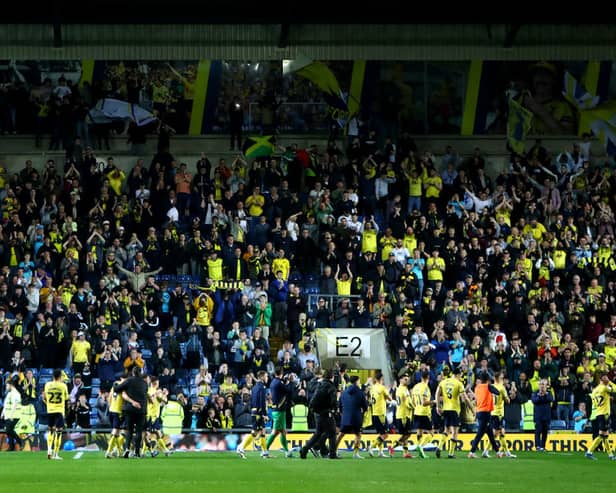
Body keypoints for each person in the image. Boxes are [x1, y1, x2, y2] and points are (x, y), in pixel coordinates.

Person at [300, 369, 338, 459]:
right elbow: (333, 401)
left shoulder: (319, 385)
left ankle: (304, 449)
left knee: (318, 433)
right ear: (332, 377)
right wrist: (334, 410)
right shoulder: (331, 387)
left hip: (317, 412)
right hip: (326, 412)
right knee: (332, 433)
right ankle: (332, 454)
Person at [114, 366, 148, 458]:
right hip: (141, 410)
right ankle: (137, 452)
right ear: (140, 373)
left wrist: (115, 384)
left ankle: (127, 450)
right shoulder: (145, 383)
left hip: (129, 409)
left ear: (133, 372)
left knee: (129, 430)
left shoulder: (129, 381)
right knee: (139, 432)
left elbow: (117, 389)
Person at [435, 366, 466, 459]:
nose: (461, 376)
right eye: (460, 375)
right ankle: (451, 453)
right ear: (458, 374)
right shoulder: (458, 383)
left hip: (445, 409)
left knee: (446, 430)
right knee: (455, 432)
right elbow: (463, 397)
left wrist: (438, 406)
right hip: (454, 409)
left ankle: (439, 447)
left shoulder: (443, 382)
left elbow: (437, 393)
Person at [236, 370, 269, 459]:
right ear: (262, 377)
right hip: (259, 412)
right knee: (254, 432)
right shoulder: (262, 387)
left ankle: (265, 452)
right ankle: (241, 448)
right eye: (266, 376)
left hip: (254, 411)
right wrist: (264, 414)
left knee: (262, 431)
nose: (267, 378)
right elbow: (262, 401)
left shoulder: (254, 387)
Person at [467, 372, 500, 458]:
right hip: (486, 412)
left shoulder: (477, 387)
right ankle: (471, 452)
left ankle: (498, 452)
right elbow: (498, 392)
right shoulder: (488, 386)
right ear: (488, 379)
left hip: (479, 411)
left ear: (480, 379)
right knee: (480, 433)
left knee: (490, 434)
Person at [265, 366, 295, 458]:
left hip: (277, 410)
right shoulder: (279, 383)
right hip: (279, 410)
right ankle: (264, 449)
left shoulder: (274, 382)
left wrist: (286, 382)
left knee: (282, 431)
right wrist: (291, 382)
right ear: (281, 373)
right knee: (275, 432)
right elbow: (289, 391)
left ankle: (287, 452)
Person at [336, 374, 368, 459]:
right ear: (357, 382)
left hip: (346, 417)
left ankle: (333, 450)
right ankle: (355, 453)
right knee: (358, 435)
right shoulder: (360, 393)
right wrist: (362, 412)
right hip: (356, 417)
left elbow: (339, 406)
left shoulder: (344, 393)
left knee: (340, 434)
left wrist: (343, 414)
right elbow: (365, 406)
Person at [585, 373, 614, 460]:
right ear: (602, 380)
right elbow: (613, 389)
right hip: (604, 413)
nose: (607, 380)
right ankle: (589, 452)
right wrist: (610, 382)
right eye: (606, 378)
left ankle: (611, 455)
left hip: (598, 413)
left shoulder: (594, 391)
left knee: (605, 435)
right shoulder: (604, 387)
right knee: (602, 435)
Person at [43, 369, 69, 459]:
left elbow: (44, 397)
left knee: (50, 431)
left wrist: (49, 404)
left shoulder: (47, 385)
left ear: (53, 376)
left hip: (50, 411)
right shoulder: (63, 386)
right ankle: (55, 454)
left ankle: (49, 449)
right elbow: (66, 398)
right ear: (60, 376)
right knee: (58, 432)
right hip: (59, 411)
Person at [491, 371, 516, 458]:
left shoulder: (491, 387)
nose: (503, 379)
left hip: (492, 412)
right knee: (495, 434)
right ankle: (486, 451)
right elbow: (508, 401)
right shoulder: (501, 388)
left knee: (501, 433)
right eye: (502, 378)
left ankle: (507, 452)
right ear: (498, 378)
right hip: (499, 413)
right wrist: (511, 396)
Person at [369, 371, 394, 457]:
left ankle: (380, 452)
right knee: (386, 434)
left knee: (381, 433)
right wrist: (389, 390)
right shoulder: (382, 388)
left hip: (374, 413)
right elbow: (390, 399)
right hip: (381, 414)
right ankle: (371, 447)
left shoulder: (372, 388)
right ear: (381, 379)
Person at [389, 373, 414, 458]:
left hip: (400, 414)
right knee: (407, 434)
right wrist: (414, 407)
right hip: (404, 414)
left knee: (405, 434)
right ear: (400, 380)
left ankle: (405, 453)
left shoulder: (399, 389)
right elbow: (408, 403)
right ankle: (393, 446)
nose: (407, 381)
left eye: (407, 379)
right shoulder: (404, 390)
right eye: (405, 379)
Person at [412, 369, 435, 458]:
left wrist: (416, 407)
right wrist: (433, 402)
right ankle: (420, 446)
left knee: (419, 432)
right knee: (431, 433)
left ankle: (419, 451)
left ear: (421, 377)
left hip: (416, 412)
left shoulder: (416, 386)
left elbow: (413, 401)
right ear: (428, 377)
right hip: (424, 413)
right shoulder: (425, 387)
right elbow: (424, 402)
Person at [105, 374, 126, 458]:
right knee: (116, 431)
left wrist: (111, 407)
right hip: (118, 412)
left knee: (117, 433)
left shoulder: (114, 385)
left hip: (112, 411)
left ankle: (118, 450)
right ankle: (109, 451)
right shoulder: (124, 386)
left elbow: (109, 398)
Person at [2, 377, 24, 452]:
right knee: (8, 431)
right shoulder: (9, 394)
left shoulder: (16, 393)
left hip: (15, 415)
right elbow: (6, 404)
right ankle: (11, 447)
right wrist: (3, 413)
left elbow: (15, 405)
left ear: (11, 385)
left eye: (7, 385)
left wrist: (11, 414)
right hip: (8, 415)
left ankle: (20, 441)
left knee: (8, 429)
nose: (6, 387)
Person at [531, 378, 553, 451]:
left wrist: (544, 395)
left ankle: (543, 446)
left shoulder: (549, 393)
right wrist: (540, 395)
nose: (542, 386)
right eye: (540, 384)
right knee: (538, 431)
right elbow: (534, 401)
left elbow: (550, 399)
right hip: (538, 416)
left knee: (545, 432)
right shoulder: (535, 393)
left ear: (546, 385)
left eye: (543, 384)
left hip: (546, 416)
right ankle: (537, 446)